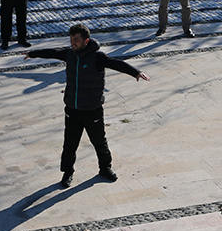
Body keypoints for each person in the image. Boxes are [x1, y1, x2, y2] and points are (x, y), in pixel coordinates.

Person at [25, 22, 149, 187]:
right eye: (71, 39)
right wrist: (32, 54)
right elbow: (52, 53)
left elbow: (116, 63)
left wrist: (136, 72)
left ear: (86, 41)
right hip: (72, 109)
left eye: (76, 39)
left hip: (92, 110)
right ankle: (67, 173)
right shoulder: (69, 54)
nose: (72, 42)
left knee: (99, 142)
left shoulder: (98, 57)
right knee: (70, 144)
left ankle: (105, 168)